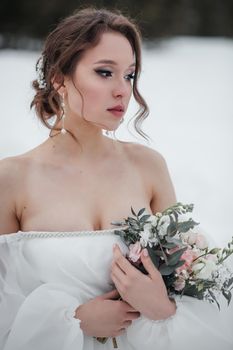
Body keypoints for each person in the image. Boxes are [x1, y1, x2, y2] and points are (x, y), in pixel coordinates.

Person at [0, 7, 232, 350]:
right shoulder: (13, 178)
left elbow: (192, 278)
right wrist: (73, 320)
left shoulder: (148, 166)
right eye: (105, 72)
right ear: (59, 79)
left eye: (130, 76)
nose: (122, 90)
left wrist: (161, 306)